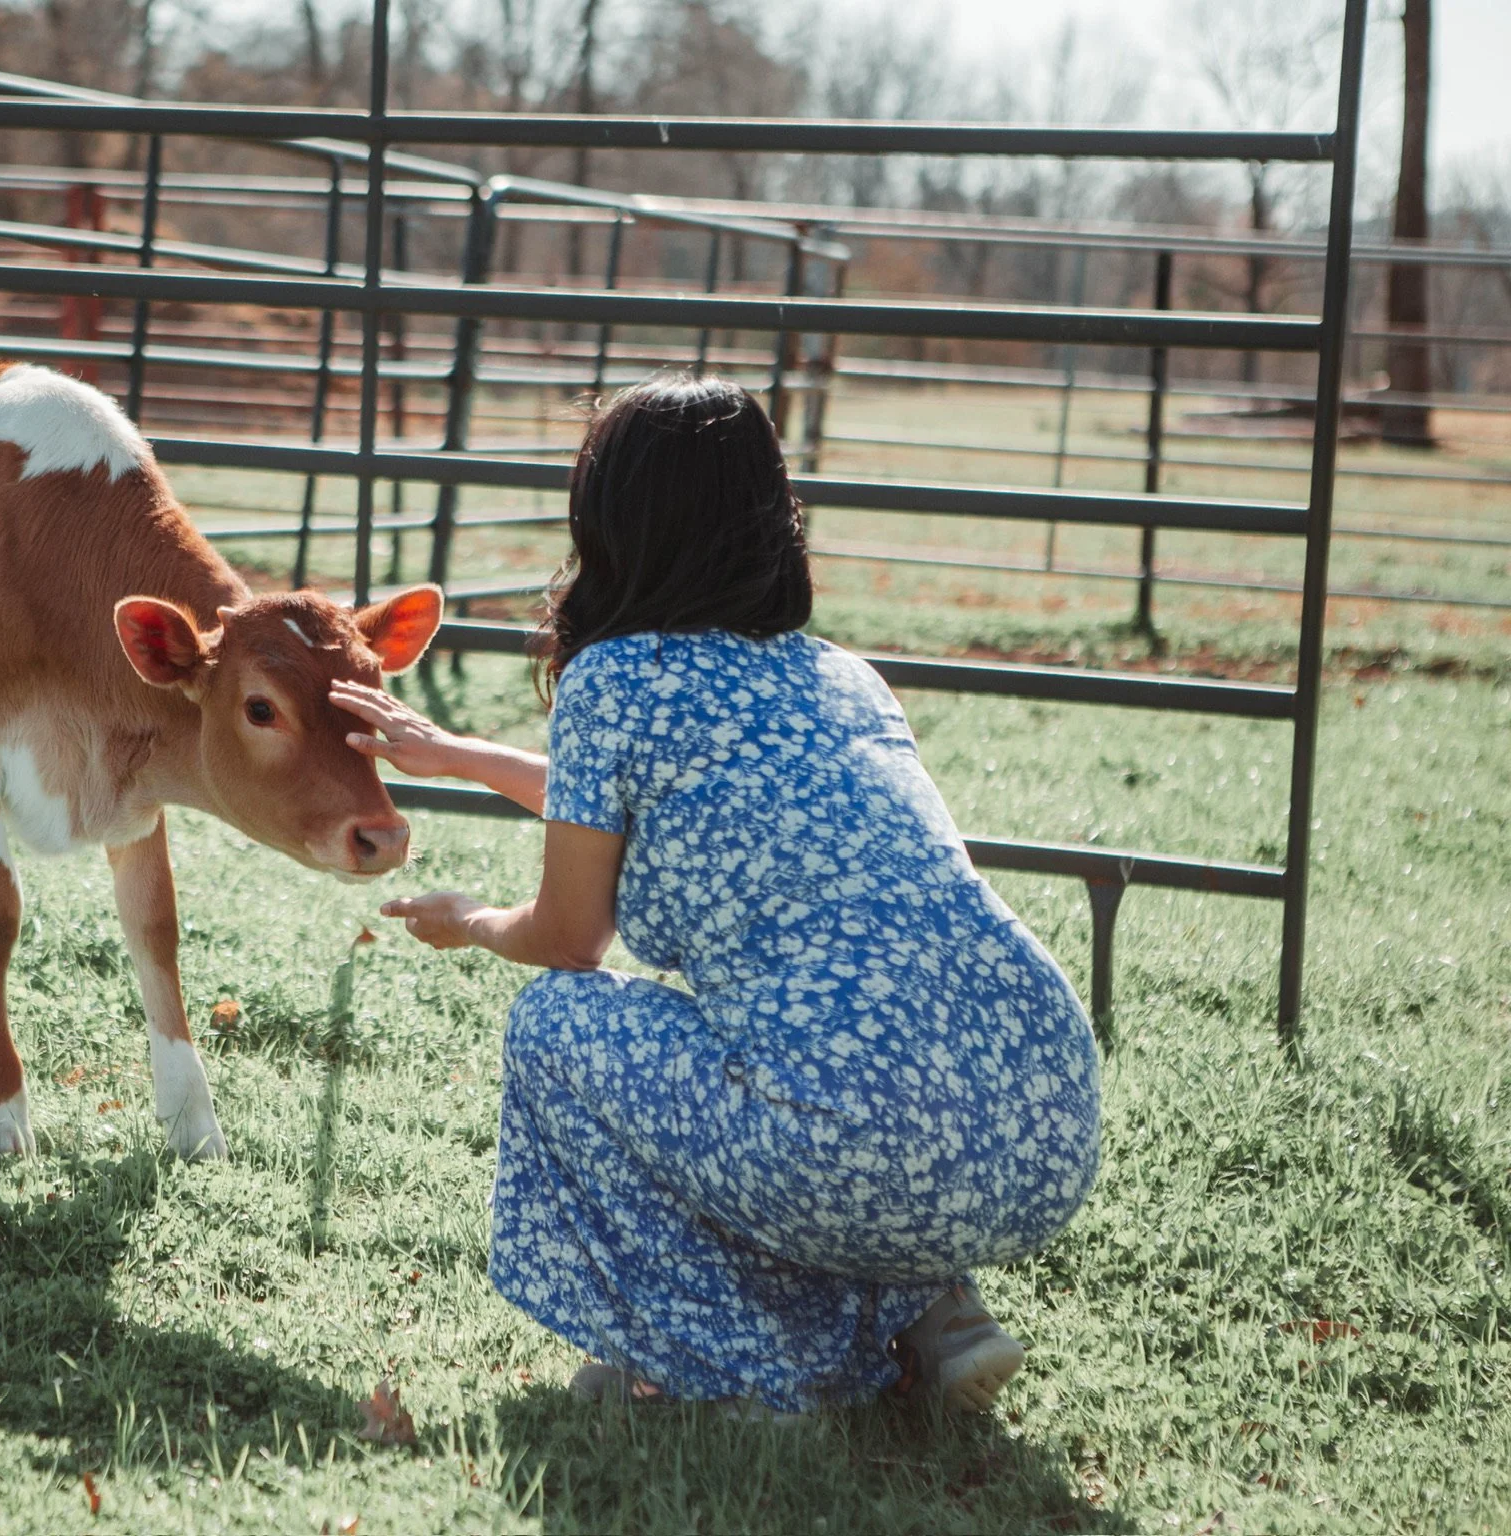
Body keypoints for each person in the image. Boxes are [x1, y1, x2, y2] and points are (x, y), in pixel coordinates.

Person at [330, 376, 1102, 1417]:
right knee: (814, 1071)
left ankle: (739, 1372)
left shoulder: (615, 681)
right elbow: (661, 805)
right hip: (1046, 1118)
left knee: (565, 1026)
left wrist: (468, 921)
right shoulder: (839, 676)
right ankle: (938, 1313)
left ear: (611, 516)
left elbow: (569, 936)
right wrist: (461, 757)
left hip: (858, 1140)